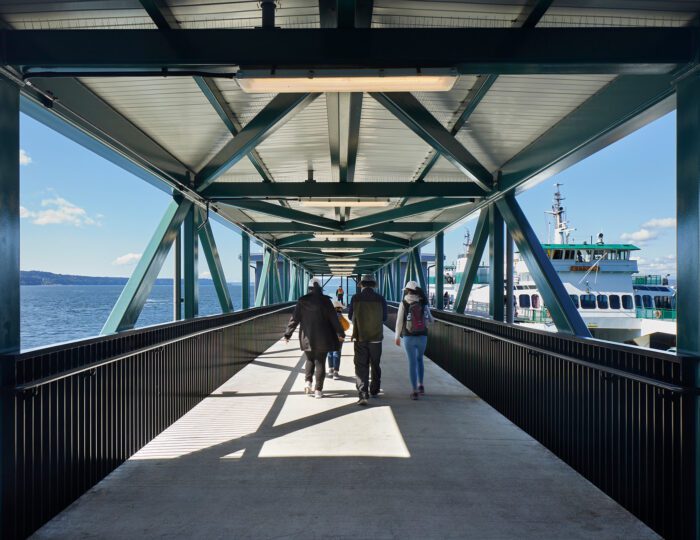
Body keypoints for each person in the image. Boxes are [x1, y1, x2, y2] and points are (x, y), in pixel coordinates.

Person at [284, 277, 345, 399]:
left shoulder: (302, 301)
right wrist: (341, 333)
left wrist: (288, 334)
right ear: (320, 287)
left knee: (309, 359)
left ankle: (308, 382)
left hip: (307, 337)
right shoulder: (326, 301)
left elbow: (294, 319)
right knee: (320, 362)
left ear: (309, 288)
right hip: (323, 337)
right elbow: (334, 319)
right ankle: (318, 390)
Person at [348, 274, 387, 406]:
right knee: (375, 364)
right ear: (373, 285)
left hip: (360, 337)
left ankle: (363, 394)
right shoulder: (381, 299)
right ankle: (375, 390)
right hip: (376, 338)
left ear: (362, 284)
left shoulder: (355, 298)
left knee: (361, 365)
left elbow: (349, 316)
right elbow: (385, 318)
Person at [395, 280, 433, 400]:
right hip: (422, 336)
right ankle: (421, 385)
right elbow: (431, 319)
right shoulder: (423, 302)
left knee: (412, 363)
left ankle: (414, 391)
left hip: (408, 336)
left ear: (407, 290)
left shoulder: (404, 302)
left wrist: (397, 336)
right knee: (420, 359)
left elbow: (399, 321)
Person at [327, 300, 350, 379]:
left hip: (329, 336)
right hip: (339, 337)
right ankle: (335, 372)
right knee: (336, 353)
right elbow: (346, 327)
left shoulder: (327, 315)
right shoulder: (340, 316)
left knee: (330, 353)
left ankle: (331, 370)